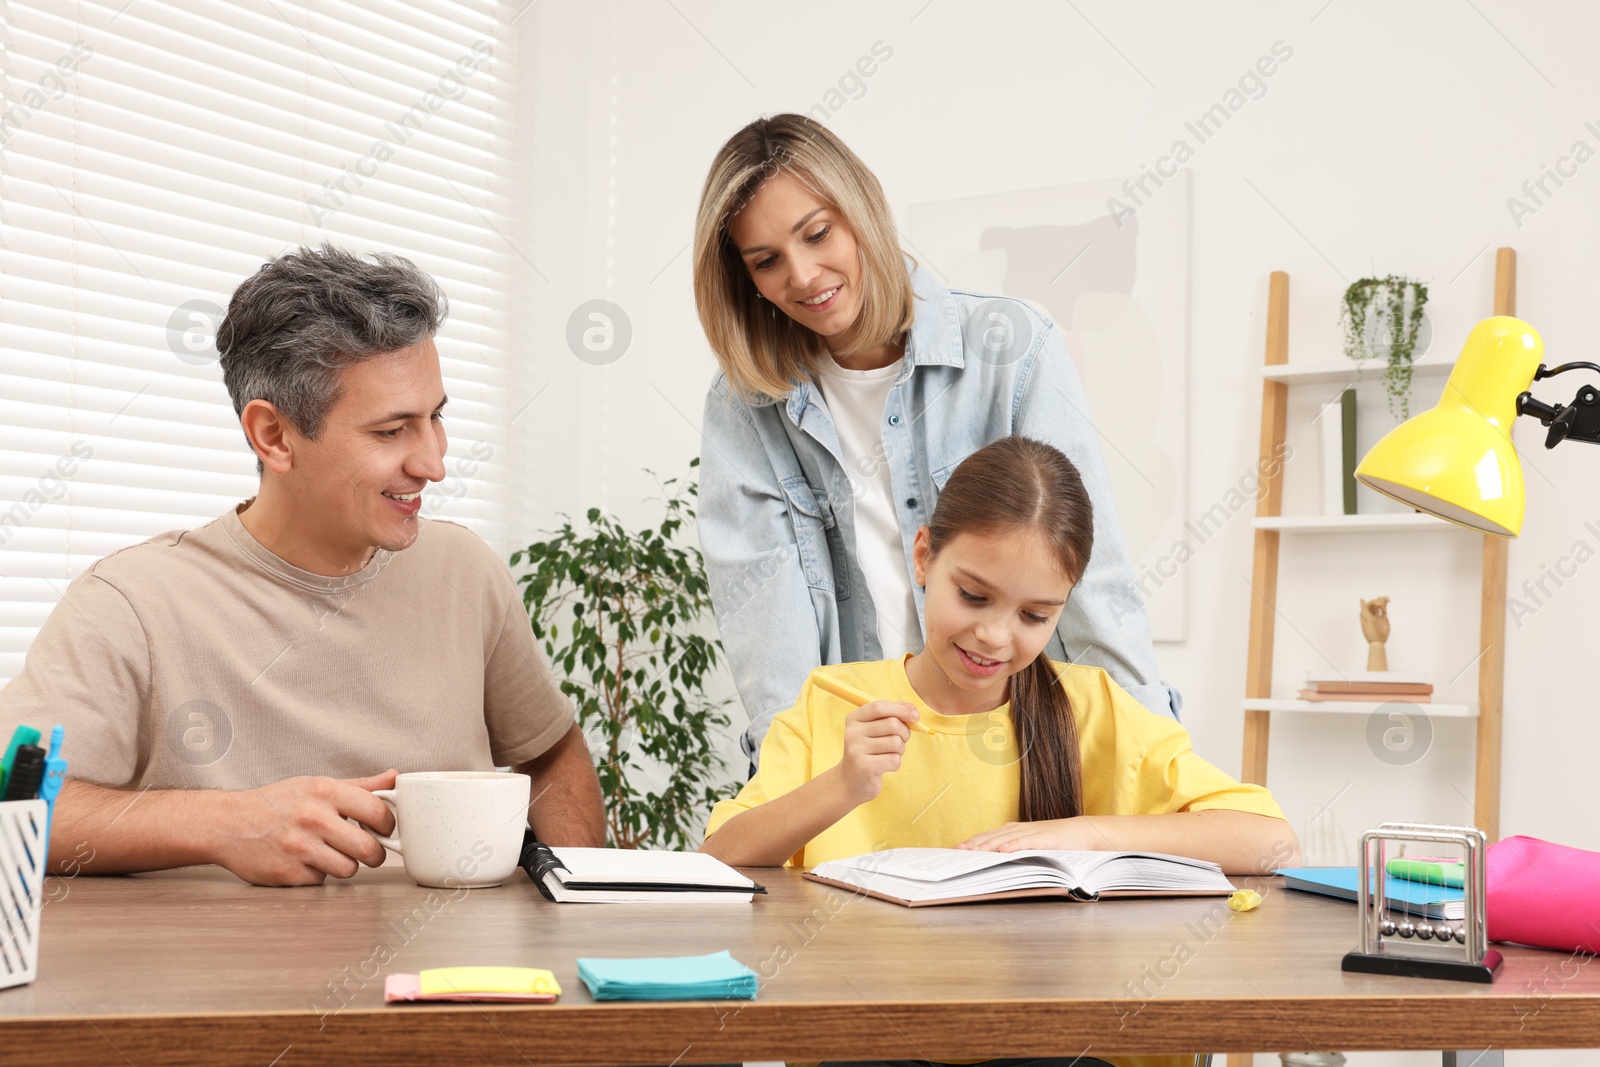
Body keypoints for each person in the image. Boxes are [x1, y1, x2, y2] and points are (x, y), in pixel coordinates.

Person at [0, 246, 605, 886]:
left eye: (437, 418)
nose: (433, 463)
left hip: (455, 981)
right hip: (234, 979)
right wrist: (223, 823)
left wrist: (584, 904)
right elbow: (14, 809)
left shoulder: (466, 573)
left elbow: (552, 752)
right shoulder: (129, 603)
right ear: (273, 436)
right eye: (391, 431)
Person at [702, 438, 1295, 1067]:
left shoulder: (1091, 706)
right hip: (875, 1039)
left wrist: (1087, 835)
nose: (994, 636)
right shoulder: (837, 700)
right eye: (974, 596)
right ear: (924, 555)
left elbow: (1271, 840)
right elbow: (720, 859)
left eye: (1035, 616)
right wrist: (842, 785)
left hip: (1052, 1045)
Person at [693, 114, 1178, 769]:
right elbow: (768, 641)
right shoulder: (744, 408)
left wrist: (1152, 762)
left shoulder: (1013, 350)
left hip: (1019, 756)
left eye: (817, 233)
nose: (804, 275)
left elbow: (1093, 585)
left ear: (860, 207)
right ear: (744, 279)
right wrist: (796, 789)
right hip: (861, 767)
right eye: (767, 261)